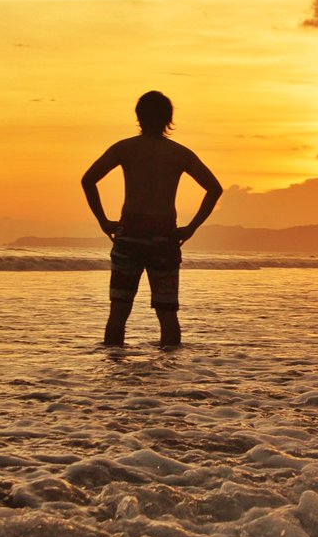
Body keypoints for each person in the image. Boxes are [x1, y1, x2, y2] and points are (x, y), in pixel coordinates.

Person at [81, 91, 222, 347]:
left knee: (119, 312)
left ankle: (113, 378)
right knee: (167, 313)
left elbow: (88, 180)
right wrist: (191, 228)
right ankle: (169, 377)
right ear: (168, 118)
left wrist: (103, 220)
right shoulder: (179, 153)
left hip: (130, 235)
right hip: (163, 237)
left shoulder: (124, 148)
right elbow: (214, 189)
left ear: (138, 117)